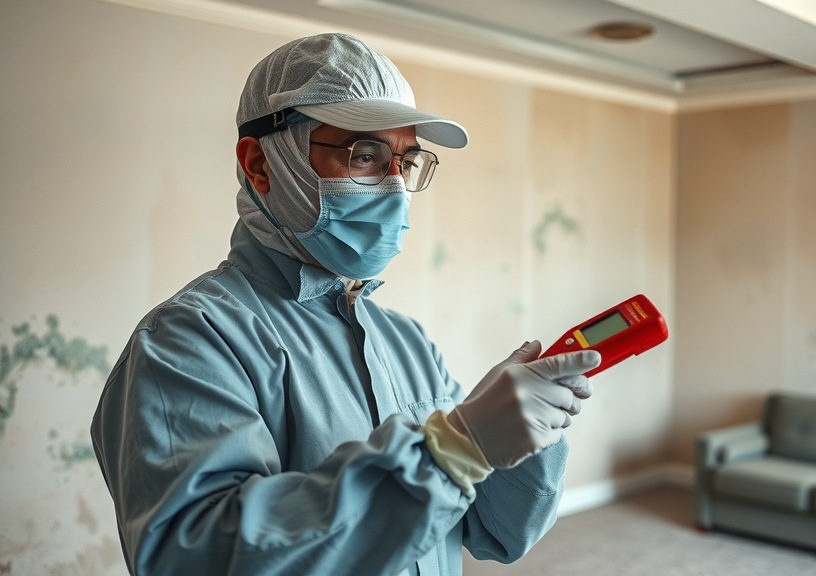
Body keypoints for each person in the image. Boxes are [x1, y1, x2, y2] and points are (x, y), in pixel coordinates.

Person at [91, 33, 601, 576]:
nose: (395, 188)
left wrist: (524, 438)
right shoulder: (189, 340)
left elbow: (496, 531)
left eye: (406, 162)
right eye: (365, 154)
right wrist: (452, 450)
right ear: (260, 163)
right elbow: (202, 561)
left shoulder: (406, 342)